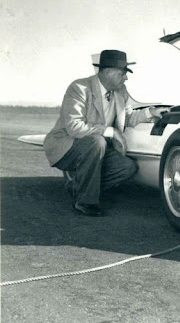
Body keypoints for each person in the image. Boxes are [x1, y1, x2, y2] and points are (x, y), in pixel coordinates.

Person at [43, 49, 168, 216]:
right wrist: (111, 131)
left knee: (127, 168)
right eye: (123, 73)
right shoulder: (79, 88)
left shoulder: (121, 91)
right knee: (97, 141)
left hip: (96, 148)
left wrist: (150, 112)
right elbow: (74, 126)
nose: (126, 78)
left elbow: (127, 118)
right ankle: (85, 202)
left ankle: (79, 187)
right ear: (109, 72)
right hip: (67, 147)